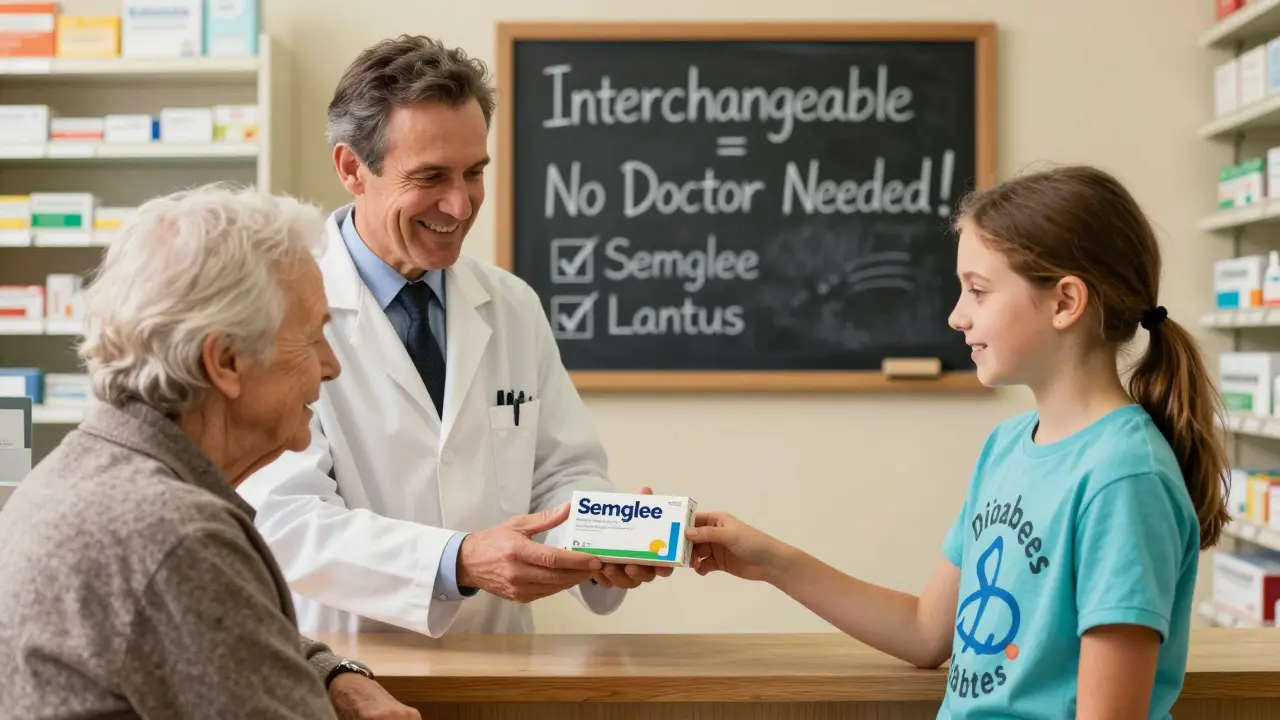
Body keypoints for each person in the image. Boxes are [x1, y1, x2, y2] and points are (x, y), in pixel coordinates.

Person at [684, 165, 1231, 719]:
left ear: (1066, 302)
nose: (956, 315)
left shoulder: (1124, 479)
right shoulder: (1007, 446)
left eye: (978, 290)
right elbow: (926, 633)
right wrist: (773, 561)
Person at [236, 34, 665, 638]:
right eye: (431, 176)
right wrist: (458, 562)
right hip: (347, 668)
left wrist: (599, 540)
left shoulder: (511, 306)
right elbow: (283, 519)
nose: (460, 205)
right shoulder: (276, 311)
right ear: (352, 168)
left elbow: (562, 472)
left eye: (474, 172)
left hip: (499, 670)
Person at [0, 185, 419, 719]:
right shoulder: (176, 535)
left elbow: (202, 634)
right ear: (224, 362)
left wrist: (329, 672)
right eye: (312, 336)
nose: (330, 364)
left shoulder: (84, 472)